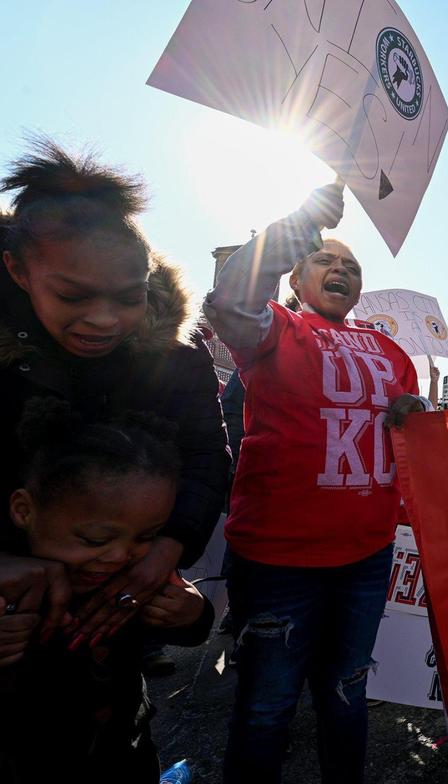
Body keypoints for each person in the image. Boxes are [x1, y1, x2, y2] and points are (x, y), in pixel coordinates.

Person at [204, 182, 421, 784]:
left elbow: (417, 429)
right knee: (267, 709)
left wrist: (415, 411)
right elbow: (231, 301)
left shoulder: (388, 350)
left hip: (366, 558)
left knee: (348, 693)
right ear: (296, 279)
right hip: (278, 563)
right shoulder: (274, 328)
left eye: (352, 267)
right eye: (326, 259)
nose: (342, 270)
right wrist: (296, 224)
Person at [0, 139, 228, 652]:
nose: (104, 320)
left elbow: (205, 456)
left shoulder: (174, 359)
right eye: (72, 296)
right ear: (17, 270)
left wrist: (165, 550)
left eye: (129, 298)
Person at [0, 398, 213, 782]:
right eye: (95, 538)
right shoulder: (10, 588)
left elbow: (190, 630)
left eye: (147, 536)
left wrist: (193, 613)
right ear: (23, 510)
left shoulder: (135, 577)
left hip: (125, 751)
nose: (119, 556)